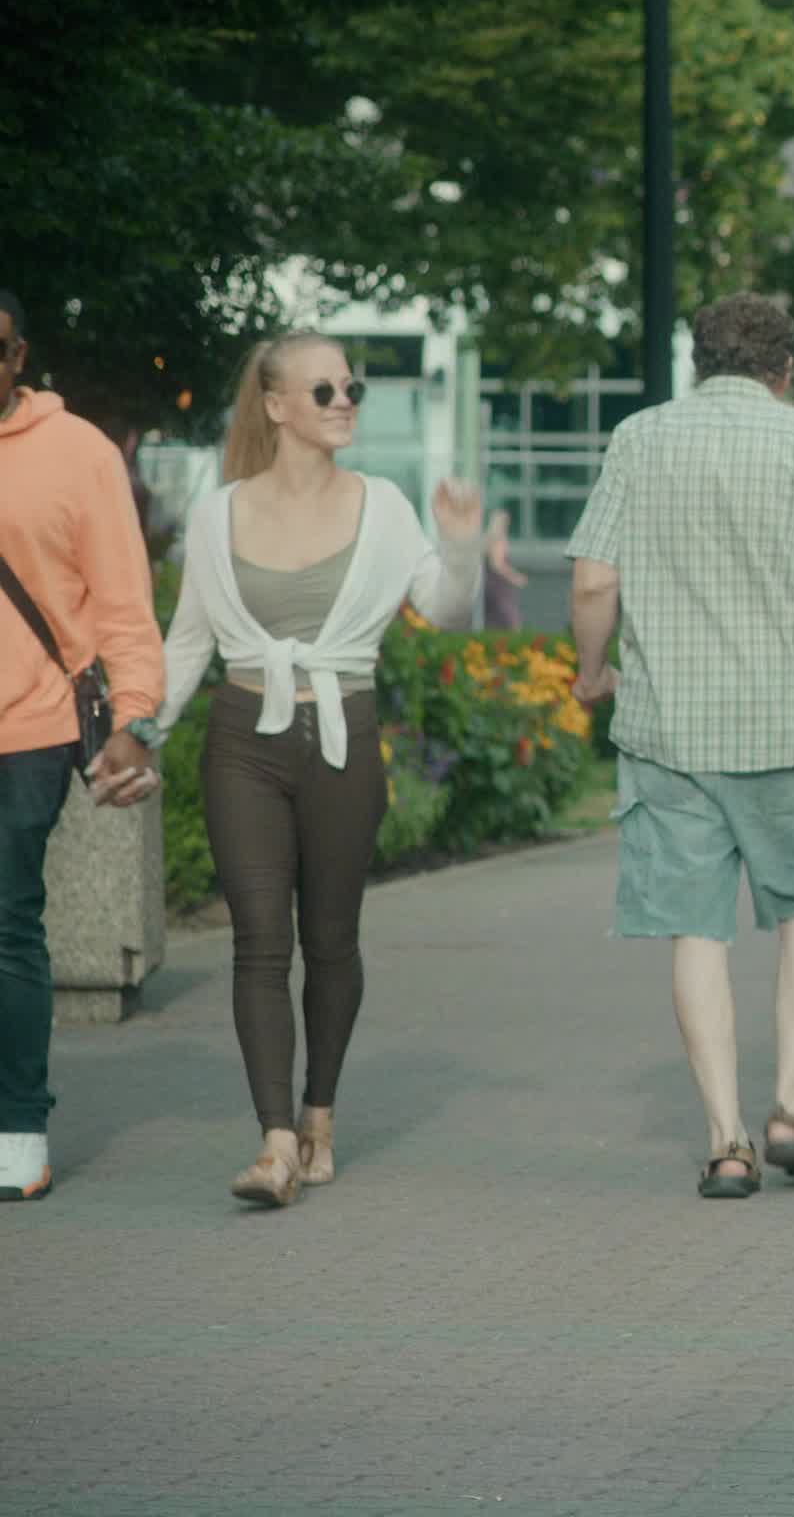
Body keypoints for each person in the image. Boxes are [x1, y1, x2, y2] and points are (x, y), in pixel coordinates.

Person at [147, 334, 487, 1206]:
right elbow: (187, 644)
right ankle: (274, 1144)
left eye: (352, 388)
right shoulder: (218, 513)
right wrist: (140, 734)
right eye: (325, 389)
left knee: (331, 940)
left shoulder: (385, 507)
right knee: (259, 939)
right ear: (276, 406)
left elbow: (448, 613)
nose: (345, 403)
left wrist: (459, 550)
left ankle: (318, 1115)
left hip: (343, 739)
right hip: (243, 741)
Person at [566, 294, 794, 1200]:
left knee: (696, 931)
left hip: (668, 730)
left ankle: (724, 1142)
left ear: (698, 362)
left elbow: (592, 580)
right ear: (784, 370)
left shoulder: (639, 439)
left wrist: (592, 670)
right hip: (784, 727)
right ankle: (790, 1107)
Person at [0, 288, 167, 1205]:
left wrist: (135, 719)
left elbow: (122, 601)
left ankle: (17, 1125)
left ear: (19, 357)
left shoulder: (78, 453)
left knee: (7, 921)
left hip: (28, 729)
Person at [480, 508, 529, 630]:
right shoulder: (498, 540)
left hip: (489, 584)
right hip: (499, 586)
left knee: (494, 620)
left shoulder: (487, 539)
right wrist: (515, 578)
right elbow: (497, 565)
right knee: (510, 619)